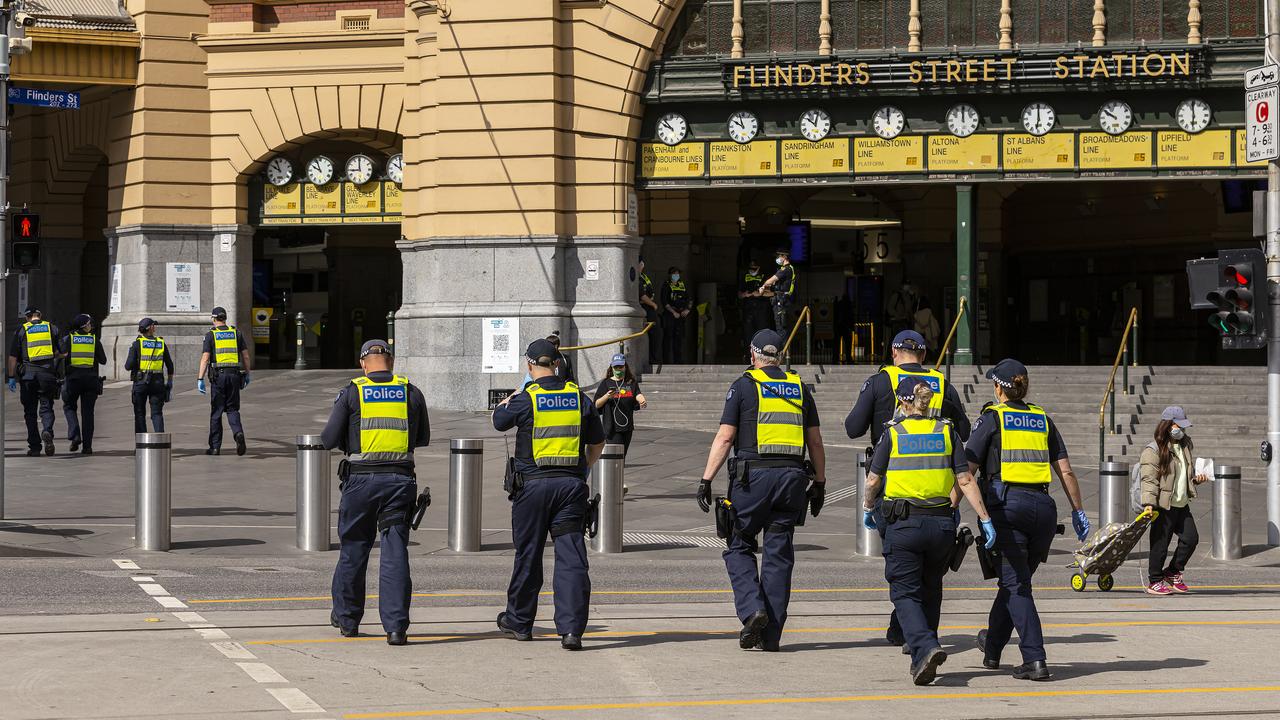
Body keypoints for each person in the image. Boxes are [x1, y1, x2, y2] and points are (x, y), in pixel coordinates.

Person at [695, 329, 827, 652]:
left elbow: (726, 438)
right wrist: (820, 483)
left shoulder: (743, 386)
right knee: (779, 556)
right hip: (792, 482)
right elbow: (816, 442)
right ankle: (771, 636)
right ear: (779, 357)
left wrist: (706, 479)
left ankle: (753, 609)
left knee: (739, 544)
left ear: (753, 356)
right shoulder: (799, 388)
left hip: (752, 481)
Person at [862, 377, 995, 685]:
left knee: (904, 590)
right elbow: (965, 480)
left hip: (904, 525)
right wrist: (984, 519)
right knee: (932, 586)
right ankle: (926, 644)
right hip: (941, 525)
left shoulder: (893, 433)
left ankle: (924, 647)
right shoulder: (946, 432)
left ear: (903, 402)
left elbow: (872, 481)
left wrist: (868, 509)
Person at [965, 358, 1090, 682]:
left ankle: (1035, 658)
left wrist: (951, 509)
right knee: (1014, 582)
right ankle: (992, 648)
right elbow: (1065, 470)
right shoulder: (1042, 419)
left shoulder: (992, 419)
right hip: (1043, 511)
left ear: (998, 388)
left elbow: (967, 469)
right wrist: (1078, 511)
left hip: (1009, 508)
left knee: (1016, 585)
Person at [844, 329, 970, 648]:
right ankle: (911, 631)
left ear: (894, 352)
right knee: (929, 572)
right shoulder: (942, 385)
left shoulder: (880, 381)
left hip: (893, 490)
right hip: (939, 492)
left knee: (904, 568)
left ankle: (915, 637)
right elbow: (965, 430)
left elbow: (852, 428)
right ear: (924, 356)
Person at [493, 338, 605, 650]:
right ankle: (571, 631)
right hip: (570, 487)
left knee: (528, 554)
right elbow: (597, 443)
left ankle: (520, 622)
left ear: (529, 365)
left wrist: (514, 394)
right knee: (571, 556)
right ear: (557, 363)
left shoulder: (527, 396)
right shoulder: (578, 397)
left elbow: (498, 421)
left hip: (532, 487)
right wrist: (582, 470)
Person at [321, 339, 430, 646]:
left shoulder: (353, 391)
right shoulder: (411, 391)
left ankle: (348, 619)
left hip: (361, 483)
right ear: (391, 361)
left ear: (363, 363)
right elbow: (422, 437)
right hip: (399, 481)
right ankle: (396, 628)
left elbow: (328, 439)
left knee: (354, 549)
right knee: (395, 553)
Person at [1139, 406, 1207, 595]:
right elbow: (1149, 479)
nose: (1182, 430)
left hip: (1181, 503)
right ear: (1168, 425)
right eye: (1179, 426)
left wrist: (1195, 480)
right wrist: (1149, 504)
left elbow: (1184, 475)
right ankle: (1154, 581)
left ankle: (1172, 571)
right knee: (1160, 544)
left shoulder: (1184, 446)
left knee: (1191, 539)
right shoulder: (1153, 450)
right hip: (1162, 504)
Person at [197, 306, 251, 456]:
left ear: (214, 319)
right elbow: (245, 356)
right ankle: (238, 433)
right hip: (234, 375)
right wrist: (247, 374)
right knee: (233, 409)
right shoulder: (236, 333)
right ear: (225, 318)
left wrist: (200, 378)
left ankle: (215, 447)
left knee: (217, 412)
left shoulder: (211, 335)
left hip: (218, 377)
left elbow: (205, 358)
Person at [7, 308, 62, 456]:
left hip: (28, 377)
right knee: (47, 407)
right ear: (40, 316)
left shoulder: (21, 330)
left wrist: (11, 377)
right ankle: (47, 431)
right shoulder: (52, 328)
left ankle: (35, 447)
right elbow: (60, 352)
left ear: (27, 317)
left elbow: (13, 357)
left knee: (30, 412)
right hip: (47, 374)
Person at [59, 314, 106, 455]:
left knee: (69, 406)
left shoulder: (69, 339)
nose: (91, 325)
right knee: (88, 414)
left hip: (73, 380)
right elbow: (103, 360)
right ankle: (87, 447)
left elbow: (61, 356)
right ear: (84, 325)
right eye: (89, 323)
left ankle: (75, 435)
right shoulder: (94, 340)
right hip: (90, 380)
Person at [125, 318, 174, 434]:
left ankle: (142, 445)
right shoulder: (161, 343)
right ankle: (160, 443)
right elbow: (170, 365)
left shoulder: (137, 344)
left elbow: (128, 366)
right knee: (157, 413)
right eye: (153, 325)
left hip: (141, 382)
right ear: (150, 328)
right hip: (157, 382)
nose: (155, 327)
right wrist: (170, 382)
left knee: (140, 413)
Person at [593, 353, 646, 457]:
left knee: (622, 457)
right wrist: (607, 396)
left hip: (627, 427)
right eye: (616, 367)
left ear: (625, 367)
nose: (618, 370)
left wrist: (641, 399)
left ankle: (621, 473)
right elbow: (596, 404)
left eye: (620, 367)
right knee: (615, 456)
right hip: (612, 428)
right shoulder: (606, 383)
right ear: (612, 367)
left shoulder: (630, 382)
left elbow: (637, 393)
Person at [758, 249, 797, 333]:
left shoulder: (785, 269)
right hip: (783, 300)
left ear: (784, 257)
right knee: (782, 328)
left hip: (782, 303)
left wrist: (763, 286)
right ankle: (785, 345)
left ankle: (784, 346)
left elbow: (770, 281)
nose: (777, 258)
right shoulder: (788, 269)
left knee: (781, 329)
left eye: (779, 256)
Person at [660, 266, 691, 364]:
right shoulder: (666, 285)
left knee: (679, 339)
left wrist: (687, 309)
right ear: (670, 275)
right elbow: (664, 302)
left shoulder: (682, 285)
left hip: (681, 316)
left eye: (677, 274)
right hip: (670, 315)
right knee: (668, 339)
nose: (676, 276)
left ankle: (678, 361)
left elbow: (689, 299)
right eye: (674, 274)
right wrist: (673, 312)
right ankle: (667, 362)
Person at [738, 260, 770, 347]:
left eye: (754, 268)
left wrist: (760, 293)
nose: (752, 270)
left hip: (761, 308)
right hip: (748, 308)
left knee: (762, 332)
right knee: (748, 333)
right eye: (750, 268)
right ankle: (749, 354)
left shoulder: (764, 276)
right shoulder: (744, 276)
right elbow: (739, 294)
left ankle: (761, 352)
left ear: (758, 267)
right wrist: (745, 294)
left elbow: (772, 292)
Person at [638, 256, 661, 365]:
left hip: (649, 308)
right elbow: (642, 295)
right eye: (641, 263)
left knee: (656, 335)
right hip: (645, 308)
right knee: (652, 334)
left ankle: (654, 358)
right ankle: (652, 359)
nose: (642, 265)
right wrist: (653, 304)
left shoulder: (643, 276)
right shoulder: (637, 277)